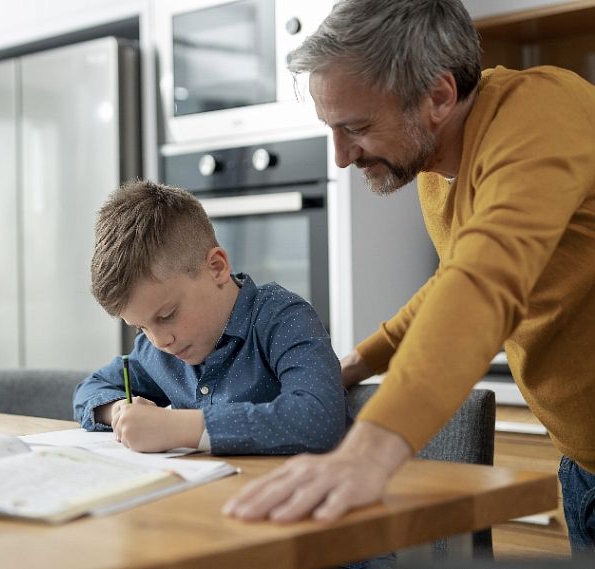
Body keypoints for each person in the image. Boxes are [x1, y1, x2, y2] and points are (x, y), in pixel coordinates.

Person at [222, 0, 595, 554]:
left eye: (358, 128)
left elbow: (484, 280)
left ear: (439, 96)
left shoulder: (543, 111)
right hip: (584, 465)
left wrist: (372, 449)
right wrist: (363, 358)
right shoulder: (436, 167)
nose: (343, 157)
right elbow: (453, 279)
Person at [73, 179, 350, 455]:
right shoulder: (159, 351)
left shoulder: (282, 318)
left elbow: (318, 417)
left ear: (217, 267)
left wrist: (178, 428)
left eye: (167, 315)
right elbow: (89, 390)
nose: (160, 341)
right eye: (141, 327)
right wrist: (120, 411)